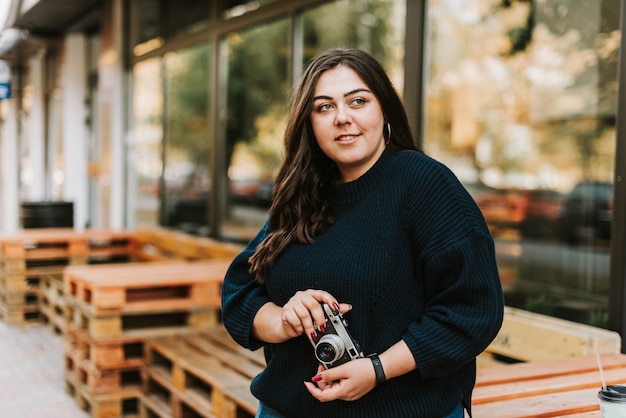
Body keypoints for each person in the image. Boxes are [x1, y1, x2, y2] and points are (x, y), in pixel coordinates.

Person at [221, 48, 504, 418]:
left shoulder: (424, 184)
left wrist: (378, 368)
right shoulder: (303, 193)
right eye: (324, 107)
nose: (342, 118)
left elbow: (473, 309)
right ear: (309, 122)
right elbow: (239, 292)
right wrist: (283, 320)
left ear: (383, 108)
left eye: (358, 101)